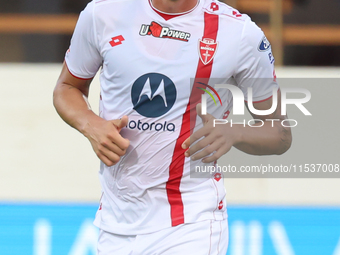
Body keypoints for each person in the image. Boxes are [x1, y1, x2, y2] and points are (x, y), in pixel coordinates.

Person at [53, 0, 292, 254]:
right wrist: (91, 125)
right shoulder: (102, 14)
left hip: (192, 224)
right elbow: (67, 87)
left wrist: (234, 132)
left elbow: (280, 132)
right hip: (115, 224)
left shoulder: (239, 32)